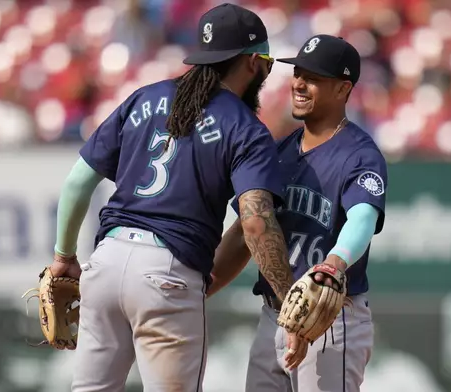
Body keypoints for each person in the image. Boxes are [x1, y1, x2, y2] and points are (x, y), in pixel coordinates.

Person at [48, 3, 296, 391]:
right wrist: (287, 299)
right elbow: (255, 221)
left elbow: (78, 181)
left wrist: (64, 257)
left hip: (106, 262)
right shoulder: (246, 128)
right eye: (266, 61)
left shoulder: (144, 97)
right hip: (167, 271)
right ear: (252, 62)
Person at [208, 34, 388, 391]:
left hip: (328, 316)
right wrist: (198, 288)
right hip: (274, 314)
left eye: (314, 78)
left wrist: (334, 264)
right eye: (298, 73)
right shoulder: (278, 151)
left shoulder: (360, 154)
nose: (300, 84)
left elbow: (363, 218)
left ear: (343, 88)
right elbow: (247, 230)